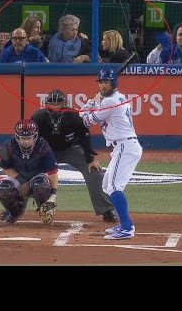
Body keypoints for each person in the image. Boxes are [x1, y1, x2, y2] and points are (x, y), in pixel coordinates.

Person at [31, 89, 117, 222]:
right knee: (26, 171)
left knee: (94, 171)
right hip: (46, 151)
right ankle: (14, 210)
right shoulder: (38, 117)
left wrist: (90, 159)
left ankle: (106, 210)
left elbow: (84, 135)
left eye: (58, 103)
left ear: (64, 103)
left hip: (71, 149)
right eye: (52, 104)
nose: (55, 107)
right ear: (46, 104)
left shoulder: (73, 115)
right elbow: (31, 139)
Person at [79, 68, 143, 239]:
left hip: (125, 146)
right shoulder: (118, 98)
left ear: (113, 83)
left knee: (114, 187)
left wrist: (88, 106)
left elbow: (87, 121)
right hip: (123, 147)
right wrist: (97, 104)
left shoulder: (110, 102)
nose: (102, 85)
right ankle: (123, 224)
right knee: (107, 186)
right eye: (100, 82)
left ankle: (127, 228)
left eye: (106, 82)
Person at [0, 119, 59, 225]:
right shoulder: (8, 147)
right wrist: (21, 180)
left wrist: (53, 195)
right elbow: (5, 168)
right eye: (23, 138)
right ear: (17, 137)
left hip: (38, 176)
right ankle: (15, 212)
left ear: (34, 137)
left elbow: (53, 172)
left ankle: (44, 209)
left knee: (40, 184)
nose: (26, 141)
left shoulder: (43, 147)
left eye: (29, 138)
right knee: (3, 190)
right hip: (18, 176)